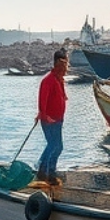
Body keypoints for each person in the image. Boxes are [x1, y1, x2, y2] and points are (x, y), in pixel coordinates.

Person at [36, 49, 69, 185]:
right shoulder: (48, 80)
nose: (66, 66)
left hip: (57, 119)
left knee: (52, 146)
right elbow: (42, 100)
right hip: (50, 120)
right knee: (56, 146)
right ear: (57, 63)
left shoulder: (58, 79)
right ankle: (50, 175)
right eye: (63, 63)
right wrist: (44, 115)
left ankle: (42, 171)